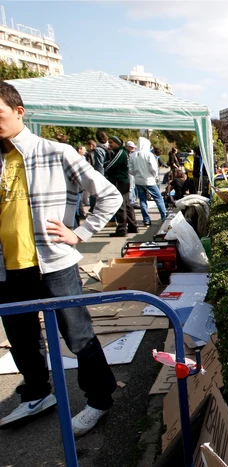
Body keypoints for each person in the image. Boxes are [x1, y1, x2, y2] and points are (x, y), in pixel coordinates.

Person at [0, 81, 122, 436]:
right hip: (8, 268)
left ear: (19, 112)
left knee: (77, 333)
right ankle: (37, 393)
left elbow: (109, 196)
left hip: (54, 262)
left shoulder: (56, 152)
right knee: (21, 337)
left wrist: (80, 234)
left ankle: (99, 399)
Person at [129, 137, 167, 226]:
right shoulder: (149, 154)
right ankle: (164, 216)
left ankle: (146, 219)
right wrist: (154, 176)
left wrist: (136, 174)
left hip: (138, 181)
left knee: (142, 200)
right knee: (158, 198)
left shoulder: (133, 155)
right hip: (149, 180)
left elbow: (130, 169)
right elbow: (154, 168)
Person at [105, 136, 138, 237]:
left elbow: (111, 165)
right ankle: (133, 226)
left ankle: (122, 229)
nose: (109, 145)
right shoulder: (123, 152)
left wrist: (105, 166)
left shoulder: (120, 153)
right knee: (127, 204)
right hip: (124, 181)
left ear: (117, 143)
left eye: (111, 143)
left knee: (121, 205)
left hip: (120, 181)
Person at [125, 141, 138, 208]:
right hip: (129, 171)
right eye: (131, 147)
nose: (133, 149)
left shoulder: (131, 153)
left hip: (132, 171)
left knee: (132, 186)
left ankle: (133, 199)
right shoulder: (126, 154)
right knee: (130, 186)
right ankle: (131, 201)